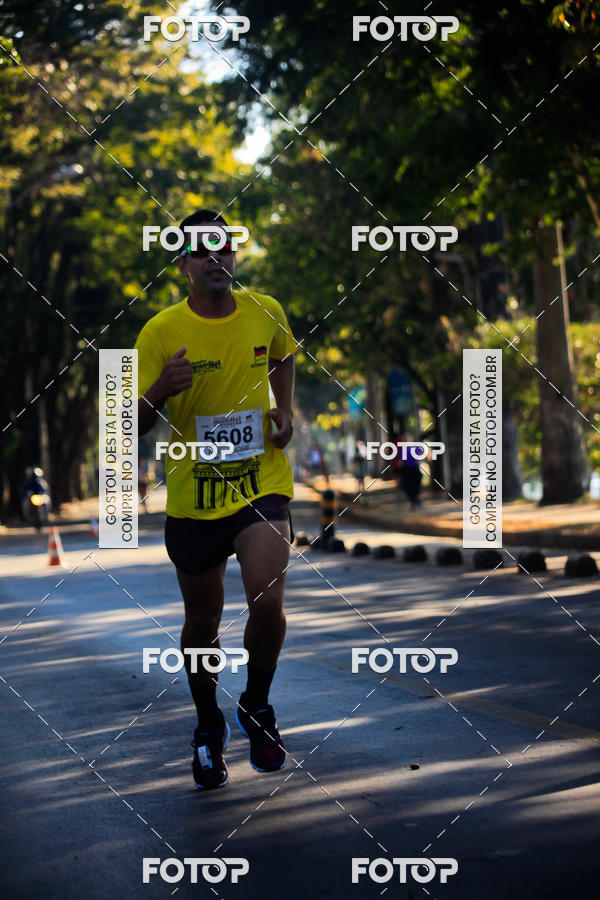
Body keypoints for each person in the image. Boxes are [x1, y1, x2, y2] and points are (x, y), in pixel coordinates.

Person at [135, 209, 296, 791]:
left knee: (267, 597)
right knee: (202, 622)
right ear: (182, 265)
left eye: (223, 248)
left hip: (260, 484)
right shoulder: (159, 332)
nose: (215, 259)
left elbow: (282, 354)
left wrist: (286, 408)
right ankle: (208, 725)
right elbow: (130, 425)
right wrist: (159, 389)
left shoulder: (266, 310)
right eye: (202, 252)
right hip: (194, 496)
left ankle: (256, 705)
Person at [397, 433, 423, 510]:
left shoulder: (416, 448)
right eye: (404, 440)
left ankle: (415, 500)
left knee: (416, 486)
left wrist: (419, 461)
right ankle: (413, 501)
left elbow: (420, 458)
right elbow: (400, 462)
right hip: (406, 470)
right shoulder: (401, 450)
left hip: (415, 469)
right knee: (408, 486)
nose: (406, 441)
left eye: (407, 439)